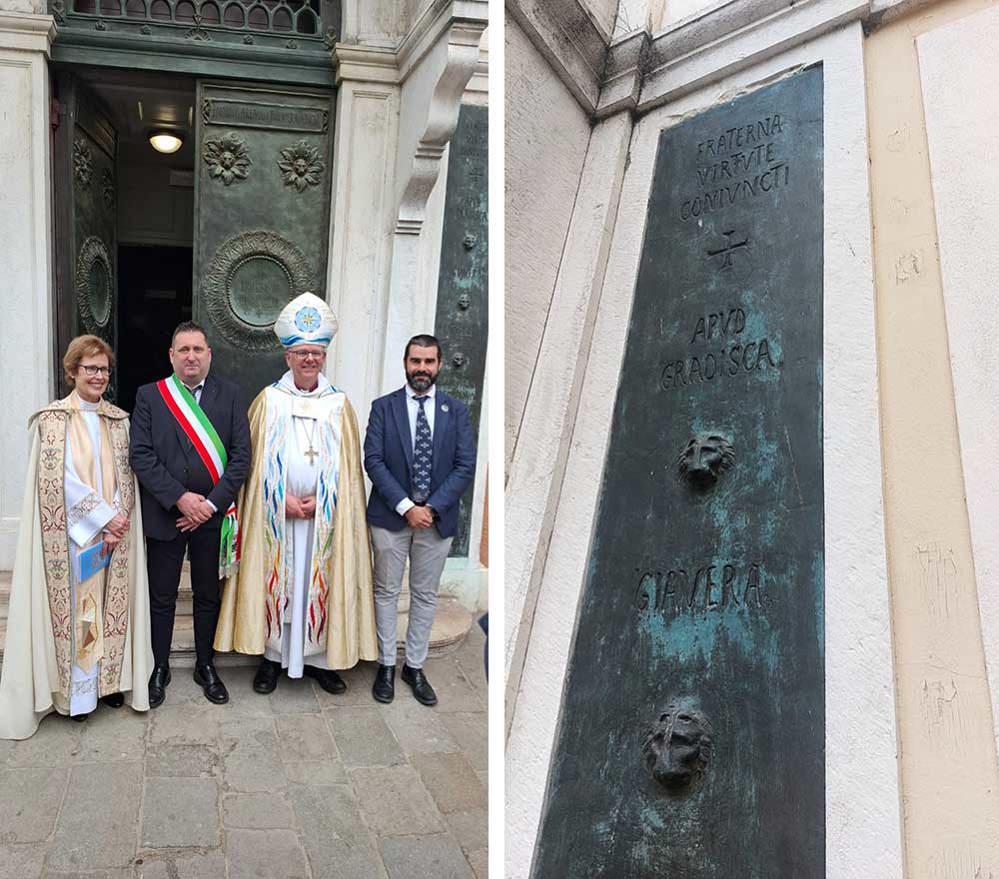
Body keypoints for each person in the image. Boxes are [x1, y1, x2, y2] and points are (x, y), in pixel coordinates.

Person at [214, 292, 377, 692]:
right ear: (287, 356)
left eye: (316, 353)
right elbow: (249, 470)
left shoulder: (339, 405)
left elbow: (351, 477)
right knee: (280, 582)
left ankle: (320, 660)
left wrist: (322, 502)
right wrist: (279, 501)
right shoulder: (268, 401)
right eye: (302, 353)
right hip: (278, 516)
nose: (309, 360)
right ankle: (272, 658)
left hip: (326, 518)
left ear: (324, 357)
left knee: (315, 582)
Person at [0, 335, 151, 738]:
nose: (99, 376)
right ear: (72, 372)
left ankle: (110, 684)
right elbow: (58, 482)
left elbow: (127, 473)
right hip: (78, 538)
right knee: (86, 612)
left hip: (115, 536)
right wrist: (103, 518)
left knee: (112, 608)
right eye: (91, 369)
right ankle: (83, 695)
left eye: (104, 369)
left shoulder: (119, 420)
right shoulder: (52, 421)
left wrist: (120, 519)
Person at [129, 321, 250, 707]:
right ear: (172, 355)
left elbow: (240, 459)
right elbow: (141, 456)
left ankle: (205, 664)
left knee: (207, 593)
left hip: (212, 517)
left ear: (209, 354)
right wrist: (181, 499)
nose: (191, 356)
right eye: (183, 350)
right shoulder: (150, 395)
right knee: (161, 595)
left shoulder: (230, 395)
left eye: (198, 349)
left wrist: (209, 505)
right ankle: (159, 665)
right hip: (168, 514)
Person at [364, 334, 477, 706]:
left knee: (425, 595)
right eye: (416, 361)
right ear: (405, 362)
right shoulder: (384, 407)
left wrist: (430, 508)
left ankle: (414, 666)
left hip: (436, 520)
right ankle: (385, 664)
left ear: (440, 364)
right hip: (391, 517)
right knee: (386, 591)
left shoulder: (456, 411)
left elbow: (465, 466)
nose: (422, 369)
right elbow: (374, 461)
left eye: (429, 362)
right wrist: (405, 506)